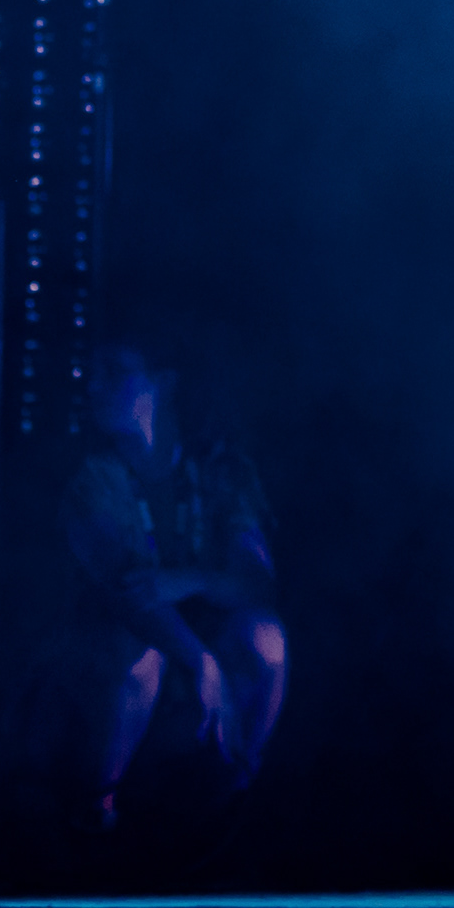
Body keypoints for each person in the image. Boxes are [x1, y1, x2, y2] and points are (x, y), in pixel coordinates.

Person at [61, 343, 287, 832]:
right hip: (109, 660)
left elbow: (258, 584)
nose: (92, 385)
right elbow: (129, 595)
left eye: (113, 371)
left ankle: (236, 793)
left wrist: (193, 578)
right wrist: (201, 661)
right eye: (91, 372)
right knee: (140, 654)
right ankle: (97, 811)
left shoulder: (220, 469)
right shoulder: (92, 479)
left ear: (164, 381)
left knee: (266, 640)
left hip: (199, 648)